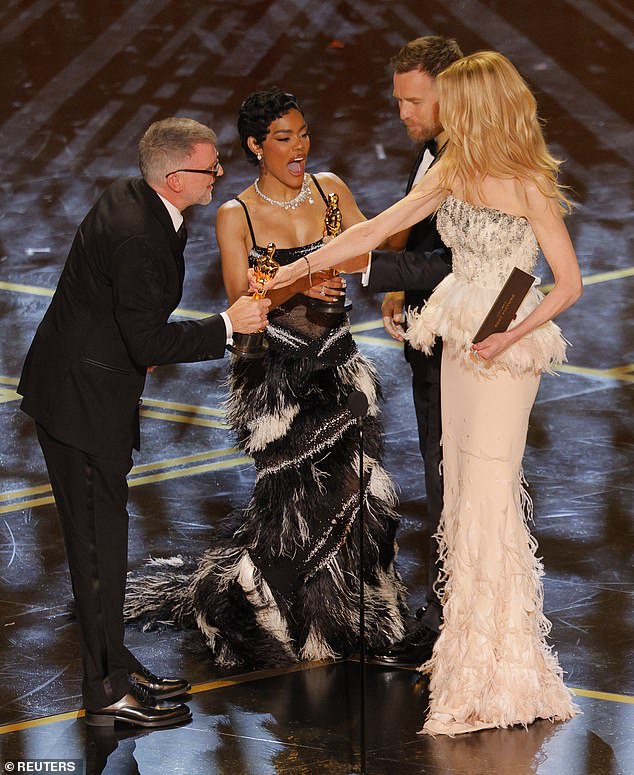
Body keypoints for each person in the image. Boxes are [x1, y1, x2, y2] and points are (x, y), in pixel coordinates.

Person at [259, 52, 582, 735]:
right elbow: (377, 230)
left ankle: (506, 670)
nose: (437, 114)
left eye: (453, 102)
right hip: (460, 335)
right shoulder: (452, 168)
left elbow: (568, 284)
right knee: (461, 492)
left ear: (482, 104)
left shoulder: (528, 181)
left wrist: (509, 334)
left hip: (504, 345)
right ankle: (471, 655)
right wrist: (294, 269)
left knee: (490, 494)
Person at [124, 88, 408, 667]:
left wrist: (419, 208)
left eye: (303, 133)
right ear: (256, 146)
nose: (299, 146)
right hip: (275, 375)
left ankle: (349, 619)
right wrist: (304, 280)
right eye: (284, 138)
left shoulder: (332, 191)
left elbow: (375, 250)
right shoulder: (238, 214)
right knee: (292, 504)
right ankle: (271, 608)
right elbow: (238, 295)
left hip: (338, 363)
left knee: (356, 493)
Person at [17, 117, 270, 728]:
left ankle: (115, 661)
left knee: (104, 542)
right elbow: (146, 335)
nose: (219, 177)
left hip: (85, 384)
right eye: (212, 169)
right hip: (81, 405)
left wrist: (139, 344)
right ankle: (104, 688)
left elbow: (124, 314)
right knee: (98, 550)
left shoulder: (137, 202)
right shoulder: (139, 232)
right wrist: (230, 325)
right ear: (176, 176)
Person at [365, 35, 463, 667]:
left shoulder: (470, 160)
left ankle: (448, 615)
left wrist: (378, 267)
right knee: (441, 480)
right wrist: (400, 284)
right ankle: (446, 606)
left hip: (464, 350)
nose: (402, 112)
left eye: (413, 100)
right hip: (432, 346)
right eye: (397, 99)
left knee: (456, 483)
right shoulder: (433, 152)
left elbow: (461, 258)